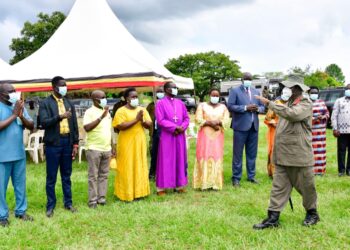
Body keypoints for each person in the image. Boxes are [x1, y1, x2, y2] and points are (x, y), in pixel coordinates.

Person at [253, 75, 320, 229]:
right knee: (278, 186)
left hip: (299, 155)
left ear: (297, 89)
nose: (286, 89)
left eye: (290, 87)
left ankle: (312, 214)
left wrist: (270, 103)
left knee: (306, 186)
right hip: (283, 154)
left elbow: (293, 114)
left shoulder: (305, 103)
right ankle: (273, 217)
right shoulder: (288, 103)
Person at [39, 76, 79, 217]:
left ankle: (68, 203)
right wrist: (60, 117)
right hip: (53, 144)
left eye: (65, 85)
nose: (65, 87)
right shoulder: (45, 103)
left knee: (66, 176)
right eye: (62, 85)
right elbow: (43, 122)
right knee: (51, 177)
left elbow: (74, 124)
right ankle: (50, 206)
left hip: (67, 142)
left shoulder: (69, 102)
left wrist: (75, 143)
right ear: (54, 87)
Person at [0, 83, 34, 227]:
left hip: (18, 154)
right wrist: (14, 115)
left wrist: (21, 116)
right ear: (1, 94)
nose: (14, 93)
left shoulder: (19, 106)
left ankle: (21, 211)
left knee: (20, 185)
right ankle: (2, 215)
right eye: (10, 91)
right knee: (1, 188)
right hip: (2, 157)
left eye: (14, 90)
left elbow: (32, 126)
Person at [112, 87, 152, 201]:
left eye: (136, 96)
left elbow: (149, 124)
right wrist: (136, 120)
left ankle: (140, 192)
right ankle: (126, 193)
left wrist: (143, 121)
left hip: (139, 142)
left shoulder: (142, 110)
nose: (135, 98)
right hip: (126, 143)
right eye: (132, 97)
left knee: (139, 165)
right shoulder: (121, 111)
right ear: (126, 99)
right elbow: (120, 126)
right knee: (127, 166)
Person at [227, 72, 265, 187]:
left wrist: (258, 108)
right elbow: (230, 106)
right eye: (246, 79)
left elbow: (263, 107)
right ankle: (236, 178)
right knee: (238, 154)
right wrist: (245, 108)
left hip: (254, 127)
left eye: (250, 79)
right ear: (242, 80)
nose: (248, 80)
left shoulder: (256, 91)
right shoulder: (235, 91)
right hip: (240, 127)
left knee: (252, 154)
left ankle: (251, 176)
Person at [155, 81, 190, 195]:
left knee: (180, 158)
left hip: (179, 135)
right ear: (166, 90)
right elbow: (161, 120)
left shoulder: (180, 103)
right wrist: (174, 127)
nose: (175, 89)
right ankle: (161, 188)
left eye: (176, 87)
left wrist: (182, 128)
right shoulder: (160, 103)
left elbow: (186, 118)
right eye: (173, 88)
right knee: (166, 160)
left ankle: (179, 185)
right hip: (167, 136)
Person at [193, 88, 230, 190]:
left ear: (219, 96)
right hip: (205, 135)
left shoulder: (223, 107)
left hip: (217, 135)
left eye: (217, 96)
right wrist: (210, 123)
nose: (215, 97)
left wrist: (218, 123)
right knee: (204, 154)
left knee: (216, 154)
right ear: (209, 95)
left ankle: (215, 183)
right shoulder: (202, 105)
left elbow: (226, 120)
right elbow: (197, 118)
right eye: (213, 95)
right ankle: (203, 182)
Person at [83, 90, 113, 208]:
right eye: (102, 98)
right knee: (93, 176)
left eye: (105, 97)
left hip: (107, 148)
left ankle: (101, 198)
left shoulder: (106, 112)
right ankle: (92, 201)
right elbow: (87, 127)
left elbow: (108, 130)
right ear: (95, 100)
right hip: (94, 148)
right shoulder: (89, 112)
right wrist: (101, 117)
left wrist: (112, 146)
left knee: (104, 175)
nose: (105, 99)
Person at [264, 86, 291, 177]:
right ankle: (274, 173)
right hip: (275, 131)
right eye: (285, 94)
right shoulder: (275, 104)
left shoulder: (291, 104)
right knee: (274, 151)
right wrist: (275, 123)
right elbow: (267, 118)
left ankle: (285, 172)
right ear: (282, 94)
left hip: (287, 132)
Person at [309, 86, 329, 176]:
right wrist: (314, 118)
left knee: (320, 151)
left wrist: (323, 117)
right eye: (312, 93)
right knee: (311, 151)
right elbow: (304, 116)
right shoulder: (306, 103)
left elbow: (327, 113)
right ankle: (311, 171)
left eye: (316, 93)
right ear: (309, 93)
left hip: (321, 132)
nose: (314, 94)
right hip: (311, 131)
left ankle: (320, 171)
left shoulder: (321, 102)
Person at [331, 84, 350, 176]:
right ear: (344, 90)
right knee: (341, 151)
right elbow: (334, 115)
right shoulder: (339, 101)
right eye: (347, 88)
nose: (348, 90)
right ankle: (341, 171)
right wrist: (335, 128)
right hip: (341, 131)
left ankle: (349, 170)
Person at [146, 86, 165, 179]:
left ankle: (163, 173)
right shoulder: (151, 105)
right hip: (154, 131)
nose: (160, 93)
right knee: (154, 153)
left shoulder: (167, 103)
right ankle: (152, 174)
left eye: (161, 91)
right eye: (158, 92)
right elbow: (146, 116)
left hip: (165, 131)